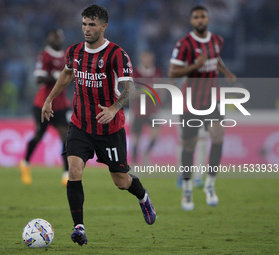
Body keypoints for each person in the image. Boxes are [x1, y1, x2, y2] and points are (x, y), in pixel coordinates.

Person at [41, 5, 156, 246]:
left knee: (121, 181)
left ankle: (143, 196)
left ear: (104, 26)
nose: (86, 29)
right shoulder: (74, 51)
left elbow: (129, 89)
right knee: (74, 168)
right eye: (84, 24)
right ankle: (79, 227)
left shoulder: (117, 54)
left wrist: (114, 108)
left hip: (109, 128)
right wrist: (49, 99)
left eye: (92, 25)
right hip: (80, 124)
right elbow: (66, 75)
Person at [168, 5, 236, 211]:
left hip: (211, 98)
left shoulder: (217, 40)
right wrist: (195, 66)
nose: (200, 20)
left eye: (203, 17)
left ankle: (210, 184)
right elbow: (173, 72)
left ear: (208, 19)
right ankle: (187, 188)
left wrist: (226, 72)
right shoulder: (184, 44)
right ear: (191, 21)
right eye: (196, 17)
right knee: (189, 146)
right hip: (190, 101)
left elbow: (216, 58)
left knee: (218, 137)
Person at [19, 29, 71, 186]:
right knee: (39, 135)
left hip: (61, 104)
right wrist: (56, 76)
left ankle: (66, 173)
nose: (56, 40)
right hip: (43, 103)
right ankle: (25, 163)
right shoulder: (44, 56)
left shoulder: (66, 55)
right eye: (53, 37)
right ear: (49, 39)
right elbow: (39, 78)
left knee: (66, 136)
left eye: (58, 38)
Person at [131, 50, 164, 165]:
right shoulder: (135, 73)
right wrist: (148, 90)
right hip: (139, 110)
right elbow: (132, 92)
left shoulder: (157, 71)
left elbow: (160, 89)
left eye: (149, 57)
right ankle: (134, 161)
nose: (147, 60)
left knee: (155, 135)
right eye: (145, 57)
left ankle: (146, 153)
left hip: (152, 109)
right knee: (136, 137)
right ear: (141, 59)